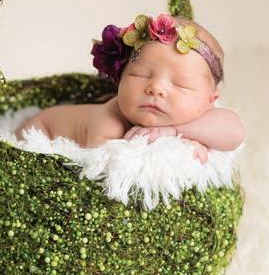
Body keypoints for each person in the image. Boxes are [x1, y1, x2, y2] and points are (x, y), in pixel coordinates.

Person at [14, 12, 245, 163]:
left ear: (210, 99)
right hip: (42, 128)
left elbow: (234, 133)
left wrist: (174, 133)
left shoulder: (204, 115)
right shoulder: (109, 123)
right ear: (120, 80)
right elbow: (115, 172)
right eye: (140, 74)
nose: (156, 88)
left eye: (180, 84)